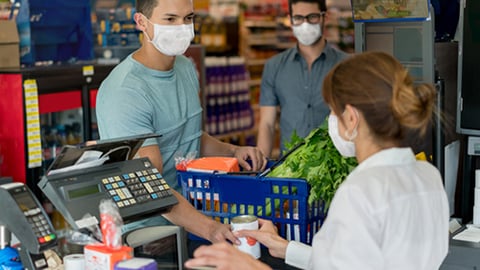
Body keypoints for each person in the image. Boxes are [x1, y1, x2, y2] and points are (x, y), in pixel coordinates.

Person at [184, 51, 450, 269]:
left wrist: (252, 267)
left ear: (352, 117)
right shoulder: (427, 175)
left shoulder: (360, 190)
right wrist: (287, 249)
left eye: (333, 111)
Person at [95, 0, 267, 243]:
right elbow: (148, 187)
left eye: (188, 18)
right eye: (170, 19)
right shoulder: (125, 91)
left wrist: (233, 151)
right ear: (141, 22)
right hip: (146, 234)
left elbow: (191, 138)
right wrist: (210, 229)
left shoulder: (186, 67)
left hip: (192, 218)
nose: (182, 27)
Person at [256, 0, 348, 158]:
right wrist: (261, 167)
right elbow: (267, 124)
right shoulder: (274, 66)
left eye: (312, 17)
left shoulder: (346, 65)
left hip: (334, 165)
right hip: (291, 166)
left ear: (324, 17)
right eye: (298, 18)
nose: (305, 24)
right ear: (290, 19)